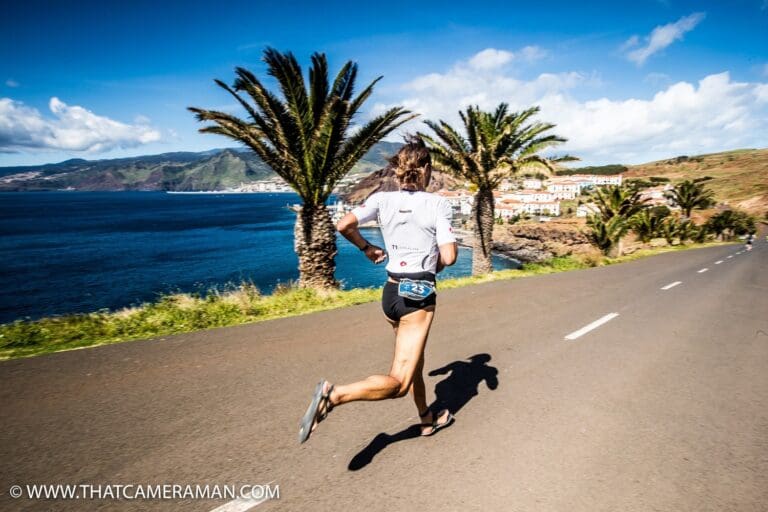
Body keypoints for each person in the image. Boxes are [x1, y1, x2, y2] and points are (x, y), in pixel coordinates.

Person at [298, 137, 458, 443]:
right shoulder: (438, 204)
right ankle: (334, 395)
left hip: (391, 294)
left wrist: (367, 248)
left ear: (398, 171)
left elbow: (344, 224)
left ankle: (427, 418)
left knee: (415, 362)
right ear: (426, 169)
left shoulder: (381, 200)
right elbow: (449, 257)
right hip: (418, 297)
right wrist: (435, 259)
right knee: (399, 382)